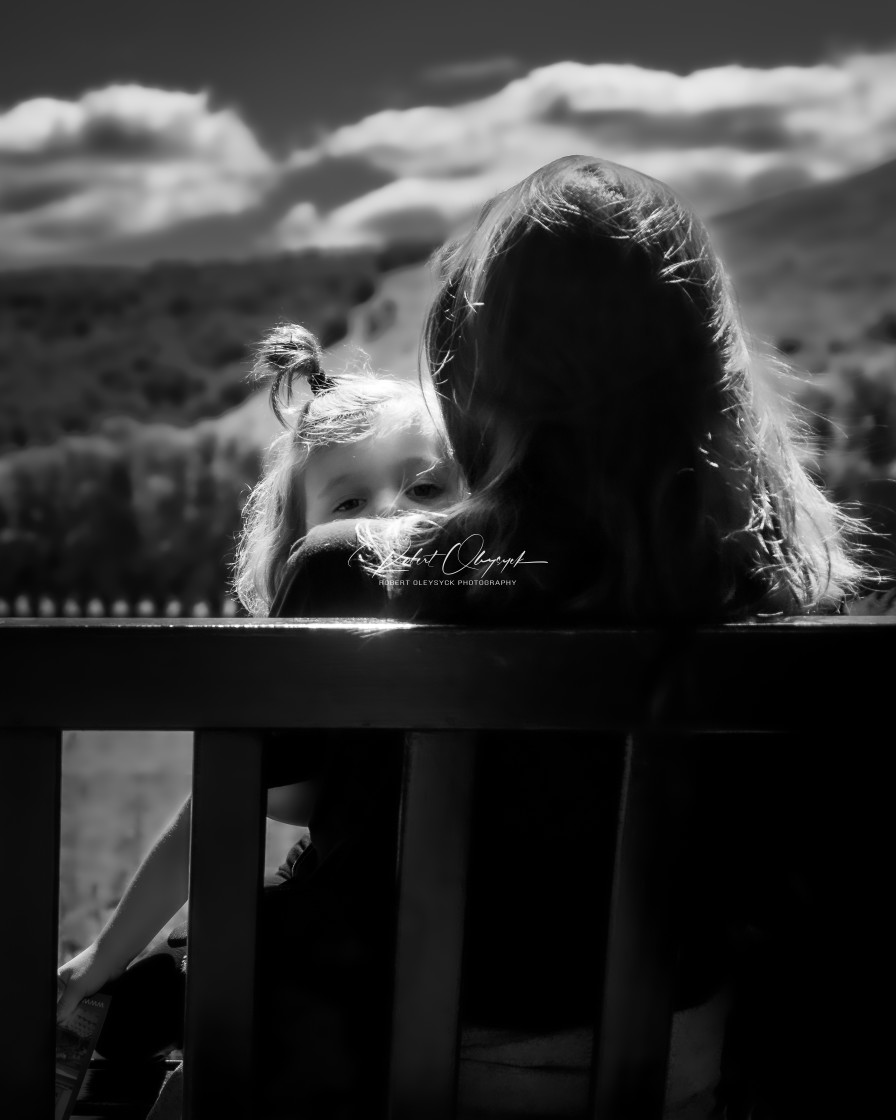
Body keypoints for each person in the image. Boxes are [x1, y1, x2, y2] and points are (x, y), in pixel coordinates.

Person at [268, 156, 879, 1118]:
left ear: (474, 370)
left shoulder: (349, 570)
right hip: (680, 1074)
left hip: (394, 1067)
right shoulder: (781, 603)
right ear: (707, 368)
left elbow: (289, 798)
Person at [56, 323, 462, 1071]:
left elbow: (239, 800)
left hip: (346, 966)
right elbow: (241, 801)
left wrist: (106, 955)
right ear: (304, 554)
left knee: (169, 985)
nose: (391, 518)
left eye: (427, 487)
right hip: (420, 960)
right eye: (350, 505)